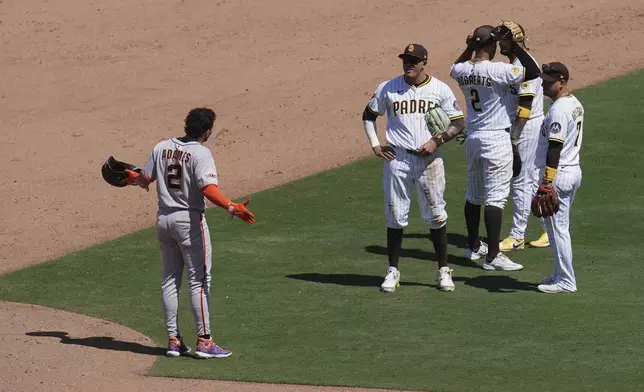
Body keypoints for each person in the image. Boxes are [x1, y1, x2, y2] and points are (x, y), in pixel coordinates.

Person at [128, 107, 256, 358]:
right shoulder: (201, 153)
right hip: (189, 222)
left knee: (169, 279)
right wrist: (232, 207)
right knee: (199, 281)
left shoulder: (161, 146)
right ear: (207, 131)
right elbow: (207, 188)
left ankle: (174, 340)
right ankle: (205, 341)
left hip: (164, 220)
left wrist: (130, 177)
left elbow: (143, 180)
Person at [362, 43, 467, 292]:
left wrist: (437, 140)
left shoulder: (439, 89)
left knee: (436, 215)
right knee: (395, 216)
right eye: (406, 60)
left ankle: (443, 271)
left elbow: (459, 122)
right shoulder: (388, 88)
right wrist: (376, 145)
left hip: (429, 161)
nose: (408, 64)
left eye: (413, 61)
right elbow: (368, 115)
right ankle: (393, 271)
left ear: (424, 63)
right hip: (396, 159)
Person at [449, 24, 541, 271]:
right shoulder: (498, 70)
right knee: (496, 198)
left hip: (473, 138)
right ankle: (492, 255)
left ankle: (472, 246)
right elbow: (533, 71)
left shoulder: (462, 69)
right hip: (496, 139)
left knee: (473, 194)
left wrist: (469, 47)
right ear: (491, 46)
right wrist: (517, 46)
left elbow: (453, 68)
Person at [496, 25, 549, 252]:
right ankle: (549, 228)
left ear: (515, 41)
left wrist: (514, 139)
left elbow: (524, 109)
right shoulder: (518, 65)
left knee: (520, 180)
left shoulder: (525, 67)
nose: (500, 44)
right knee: (532, 180)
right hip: (524, 126)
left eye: (503, 40)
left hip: (526, 127)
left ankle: (517, 236)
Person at [534, 62, 584, 293]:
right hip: (572, 171)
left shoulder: (558, 110)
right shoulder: (574, 103)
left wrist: (547, 181)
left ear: (562, 82)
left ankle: (566, 281)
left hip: (560, 175)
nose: (544, 84)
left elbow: (554, 147)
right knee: (557, 229)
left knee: (558, 230)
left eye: (549, 82)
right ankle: (558, 274)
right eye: (543, 80)